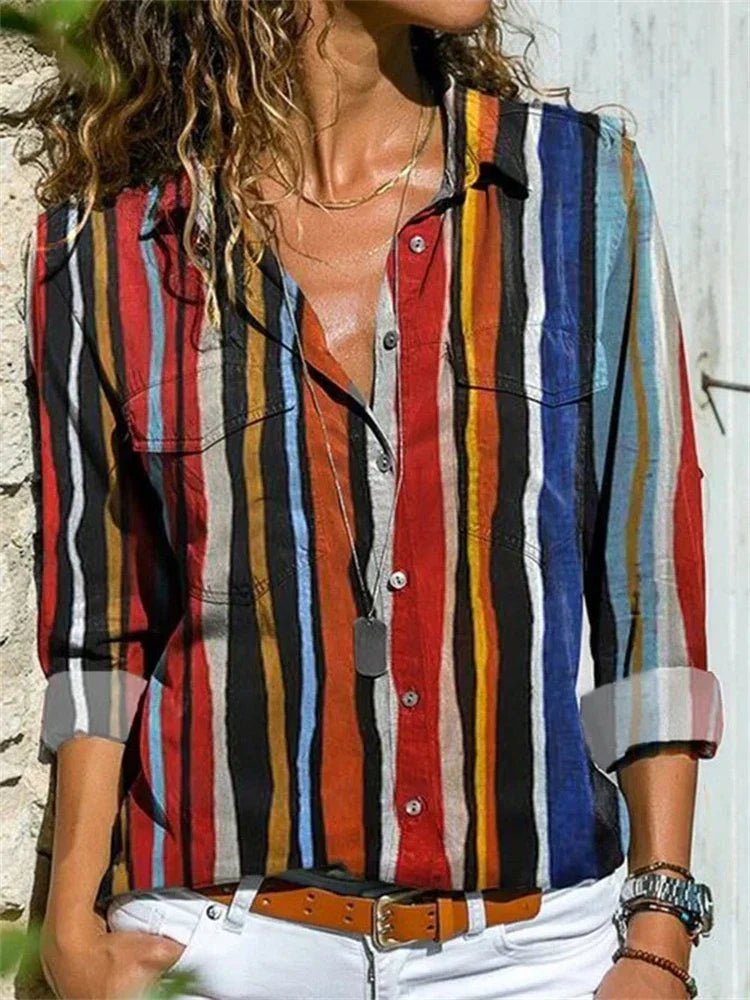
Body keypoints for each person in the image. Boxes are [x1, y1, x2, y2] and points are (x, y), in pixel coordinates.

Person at [4, 0, 724, 997]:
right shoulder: (111, 254)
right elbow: (100, 627)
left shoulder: (574, 191)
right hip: (222, 944)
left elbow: (648, 586)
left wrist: (659, 933)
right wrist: (72, 933)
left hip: (538, 951)